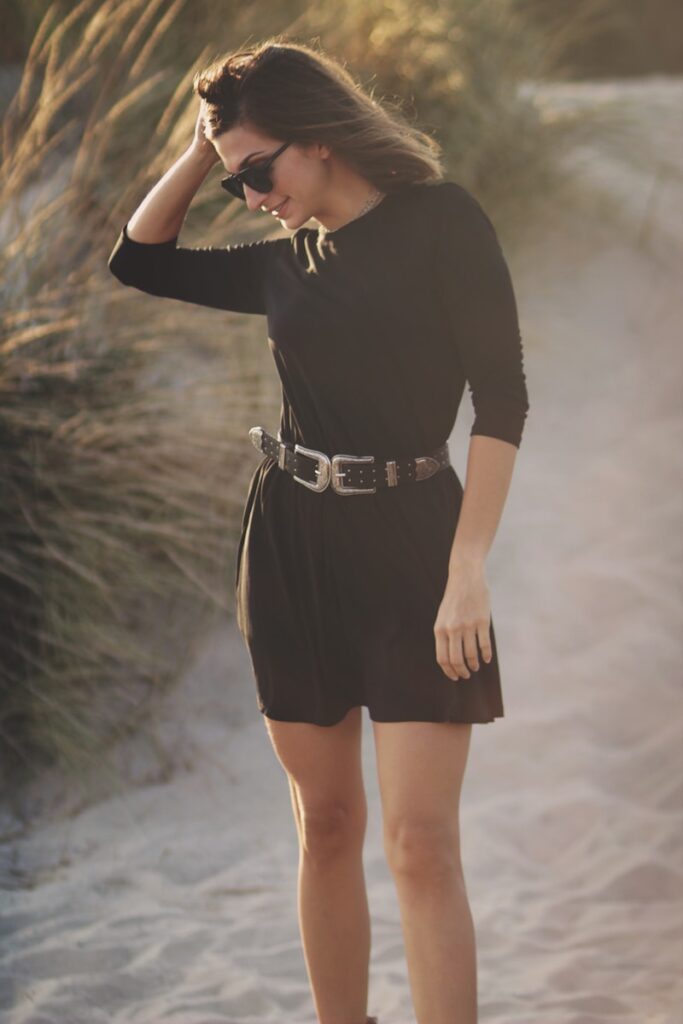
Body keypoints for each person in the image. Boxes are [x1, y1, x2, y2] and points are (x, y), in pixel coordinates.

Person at [108, 37, 530, 1024]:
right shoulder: (280, 266)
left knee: (420, 844)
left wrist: (467, 565)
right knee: (327, 825)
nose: (251, 196)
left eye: (260, 172)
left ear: (322, 136)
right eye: (235, 183)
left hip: (417, 549)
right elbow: (137, 257)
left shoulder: (442, 223)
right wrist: (206, 143)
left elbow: (501, 398)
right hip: (292, 549)